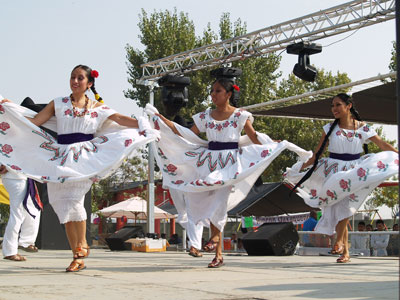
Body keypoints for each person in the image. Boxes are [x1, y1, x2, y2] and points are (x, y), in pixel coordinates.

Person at [0, 65, 158, 272]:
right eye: (72, 77)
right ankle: (77, 254)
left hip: (85, 158)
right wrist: (8, 109)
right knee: (60, 205)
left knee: (74, 201)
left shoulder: (98, 108)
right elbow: (33, 122)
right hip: (60, 158)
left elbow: (119, 119)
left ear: (89, 83)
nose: (75, 81)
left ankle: (81, 245)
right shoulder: (58, 103)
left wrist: (142, 124)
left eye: (80, 78)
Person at [146, 78, 311, 268]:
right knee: (196, 198)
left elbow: (253, 137)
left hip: (230, 164)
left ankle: (216, 245)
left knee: (220, 201)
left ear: (229, 94)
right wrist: (163, 121)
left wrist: (273, 145)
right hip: (208, 162)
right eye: (212, 91)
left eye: (217, 91)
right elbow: (186, 134)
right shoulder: (206, 116)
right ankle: (212, 249)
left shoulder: (240, 116)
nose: (213, 95)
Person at [285, 93, 398, 263]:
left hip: (354, 171)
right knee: (339, 205)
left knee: (344, 205)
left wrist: (396, 154)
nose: (334, 109)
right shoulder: (329, 128)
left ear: (348, 106)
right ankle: (344, 251)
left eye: (338, 105)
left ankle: (339, 243)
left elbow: (382, 144)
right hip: (333, 170)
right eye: (332, 106)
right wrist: (300, 169)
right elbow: (316, 155)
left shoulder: (362, 127)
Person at [0, 165, 41, 261]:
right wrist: (6, 165)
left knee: (34, 209)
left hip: (23, 177)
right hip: (15, 178)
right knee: (17, 214)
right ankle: (10, 251)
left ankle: (26, 242)